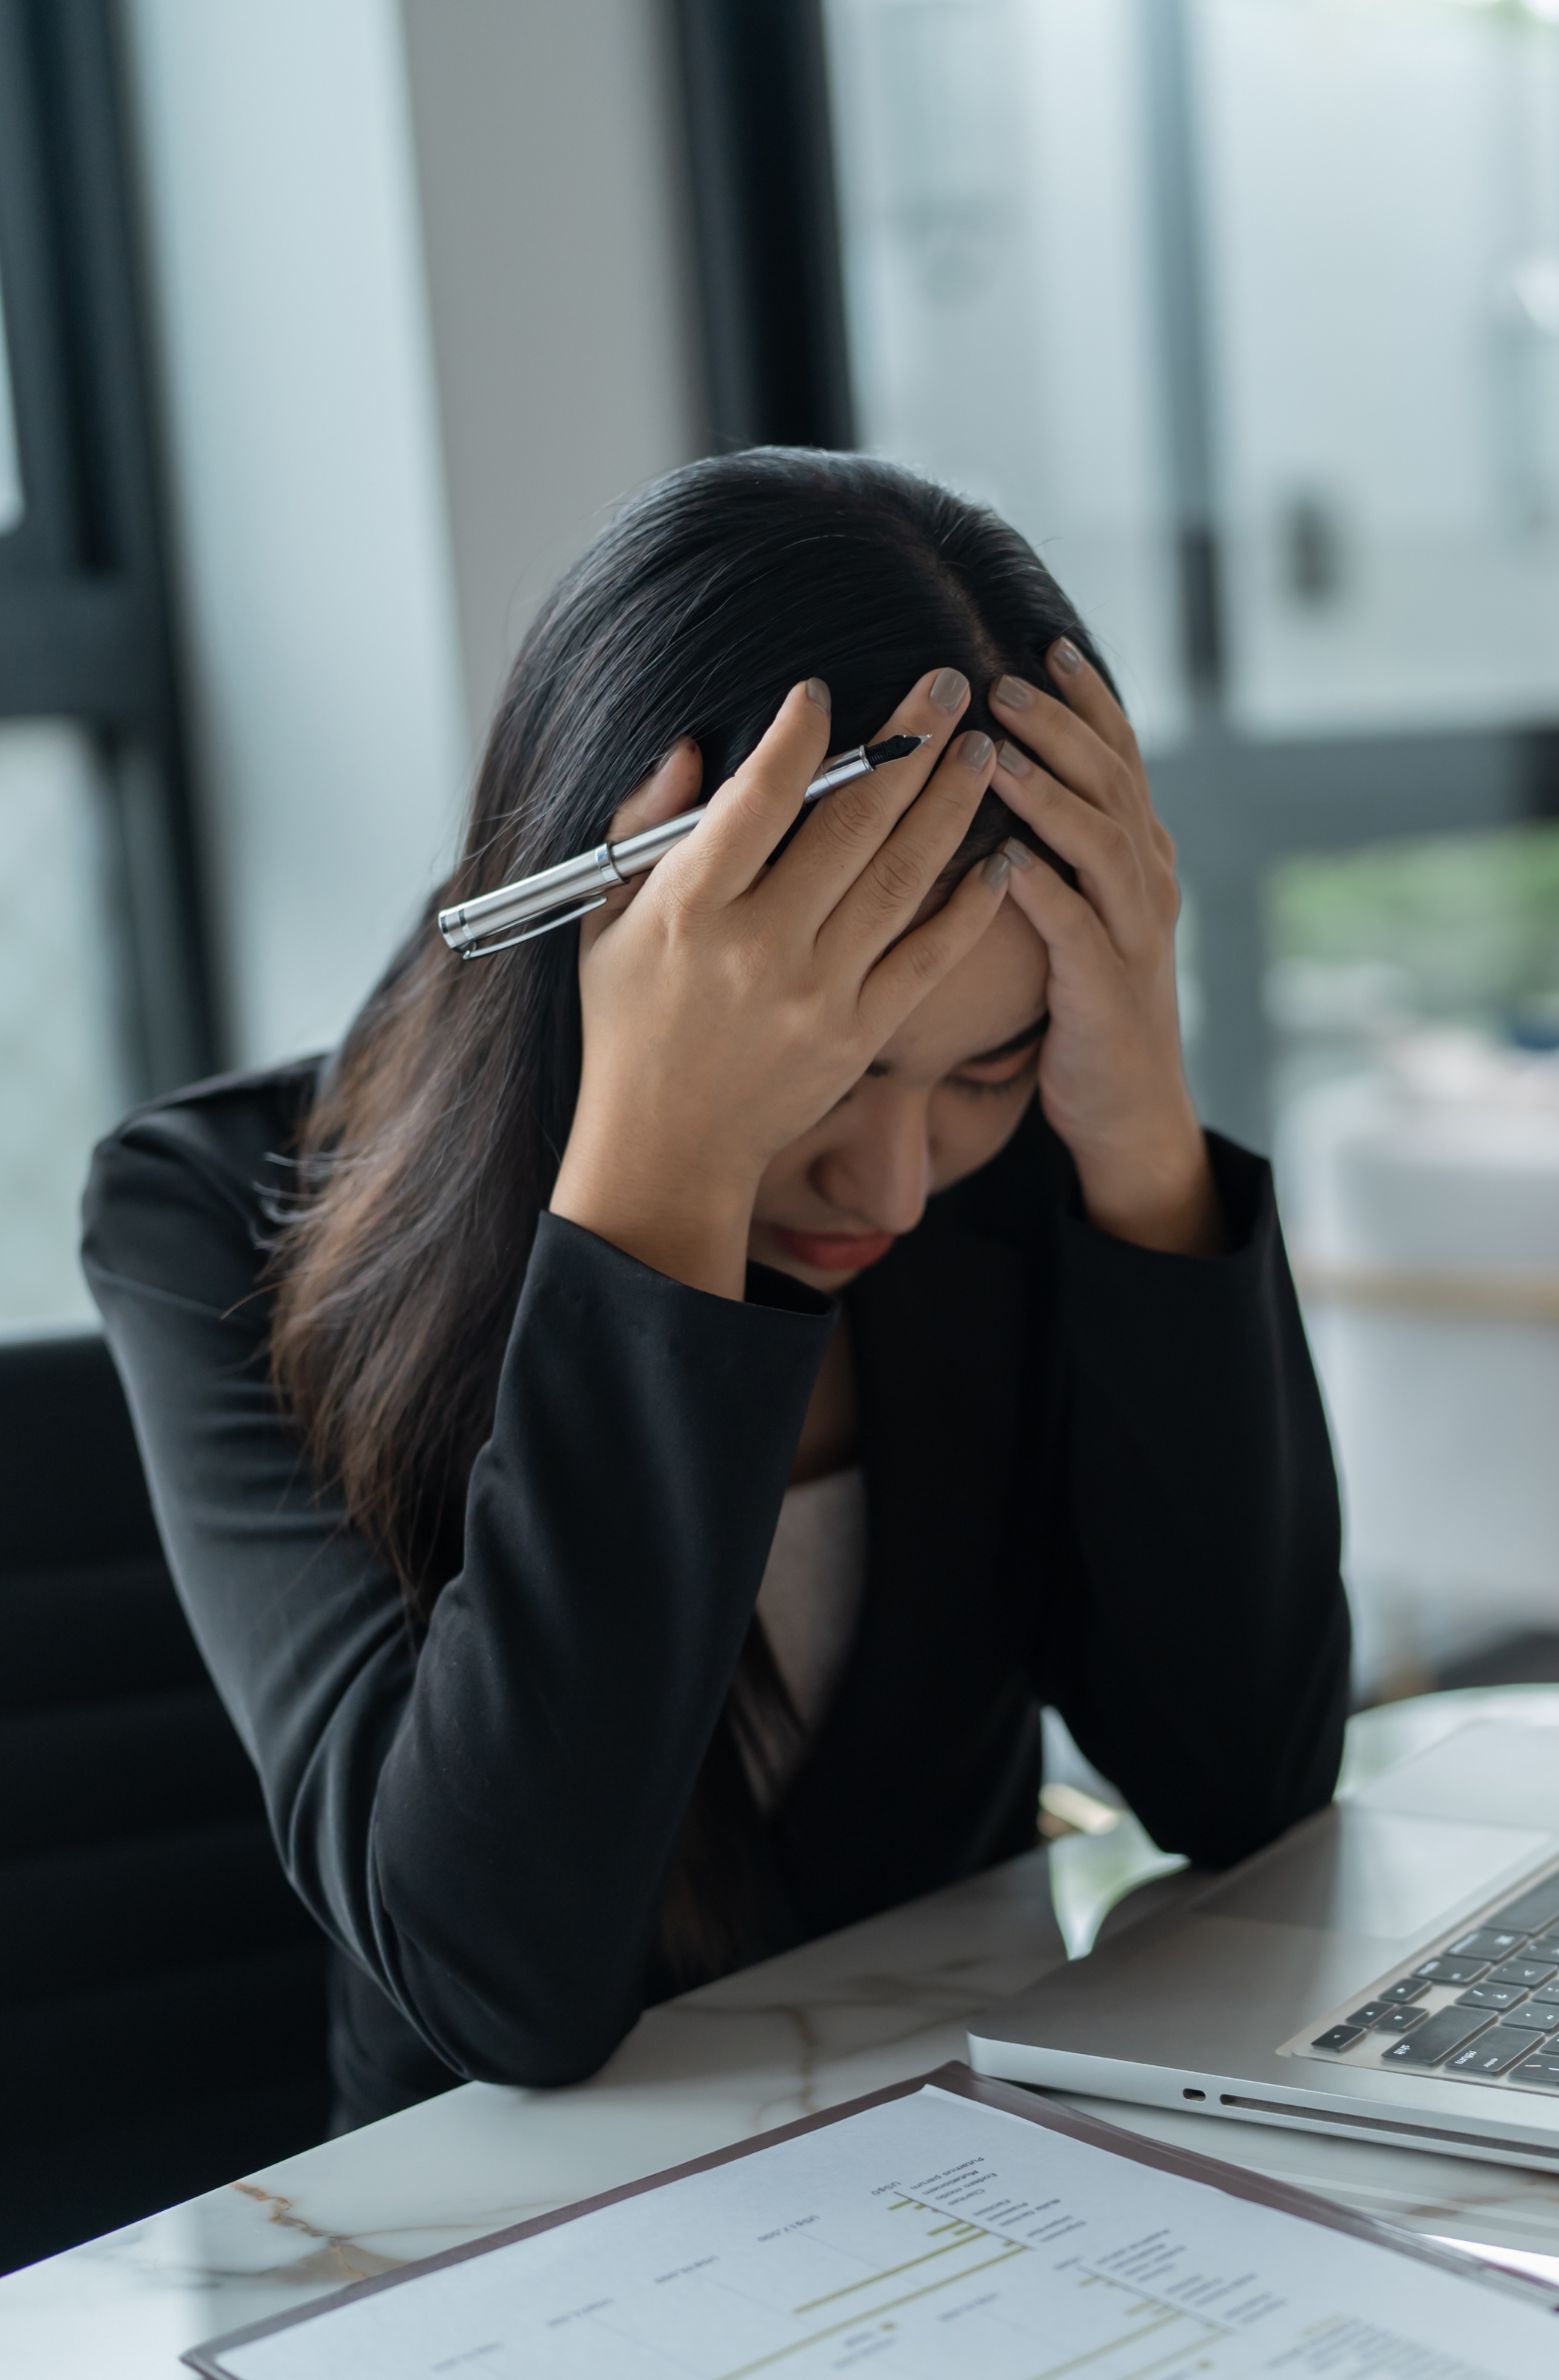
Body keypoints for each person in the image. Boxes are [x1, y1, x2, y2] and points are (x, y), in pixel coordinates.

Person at [80, 449, 1351, 2131]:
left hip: (987, 2172)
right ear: (611, 952)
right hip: (496, 2255)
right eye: (835, 1070)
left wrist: (1135, 1131)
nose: (894, 1184)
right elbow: (497, 1986)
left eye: (986, 1070)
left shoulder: (1036, 1168)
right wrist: (657, 1169)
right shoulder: (209, 1217)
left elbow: (1242, 1783)